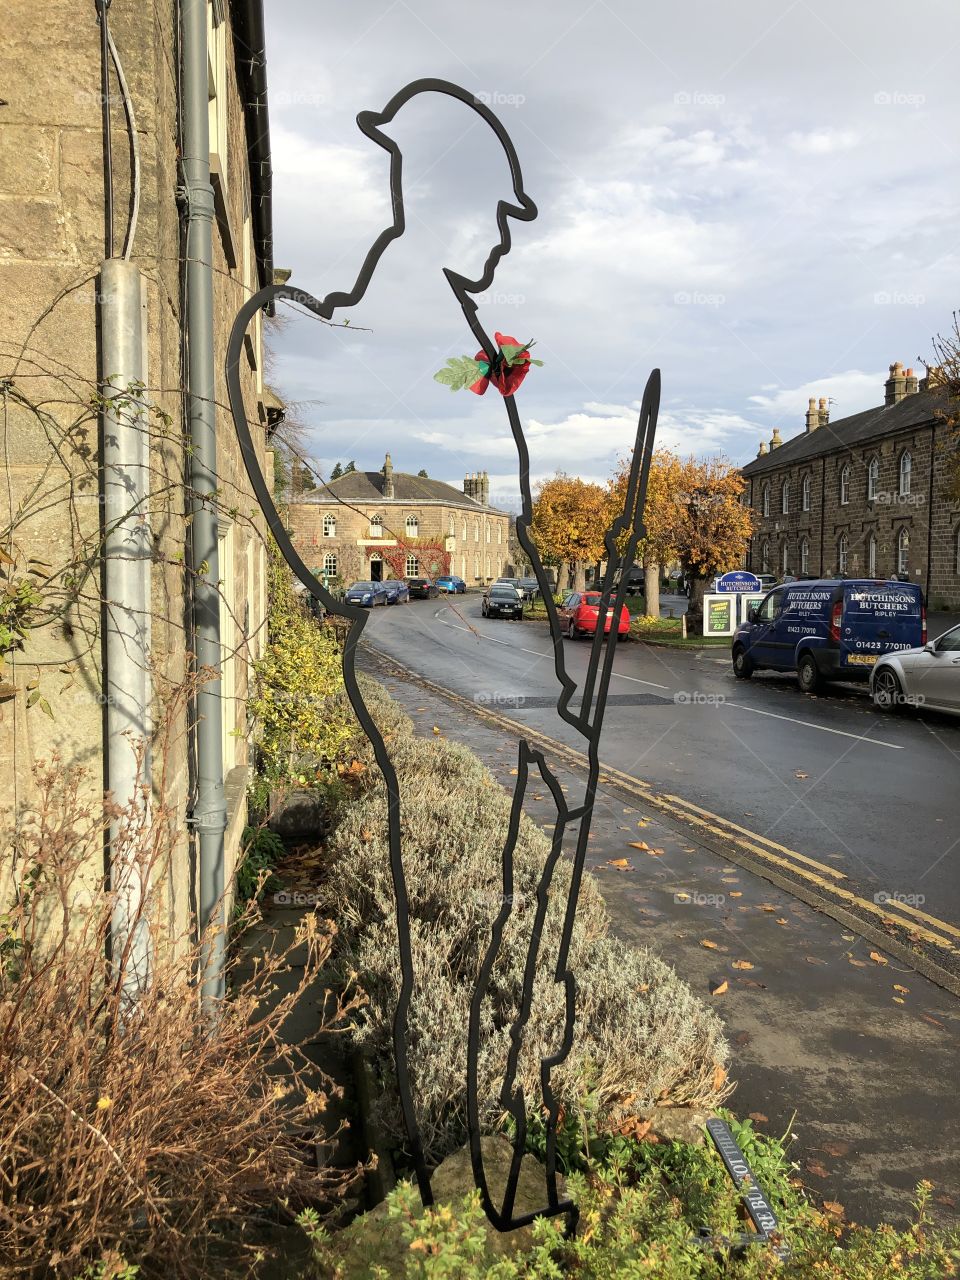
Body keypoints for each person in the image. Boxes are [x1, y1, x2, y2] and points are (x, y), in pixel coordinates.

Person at [225, 79, 656, 1235]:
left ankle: (499, 1156)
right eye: (499, 212)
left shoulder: (471, 333)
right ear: (423, 193)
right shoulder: (384, 291)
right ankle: (466, 1167)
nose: (506, 230)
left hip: (551, 715)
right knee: (474, 934)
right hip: (452, 711)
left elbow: (506, 465)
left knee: (527, 930)